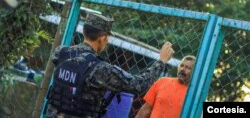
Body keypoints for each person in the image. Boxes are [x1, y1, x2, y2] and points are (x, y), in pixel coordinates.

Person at [46, 13, 174, 118]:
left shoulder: (60, 53)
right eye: (107, 39)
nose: (107, 42)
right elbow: (138, 85)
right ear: (102, 38)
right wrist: (161, 61)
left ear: (85, 31)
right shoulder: (99, 69)